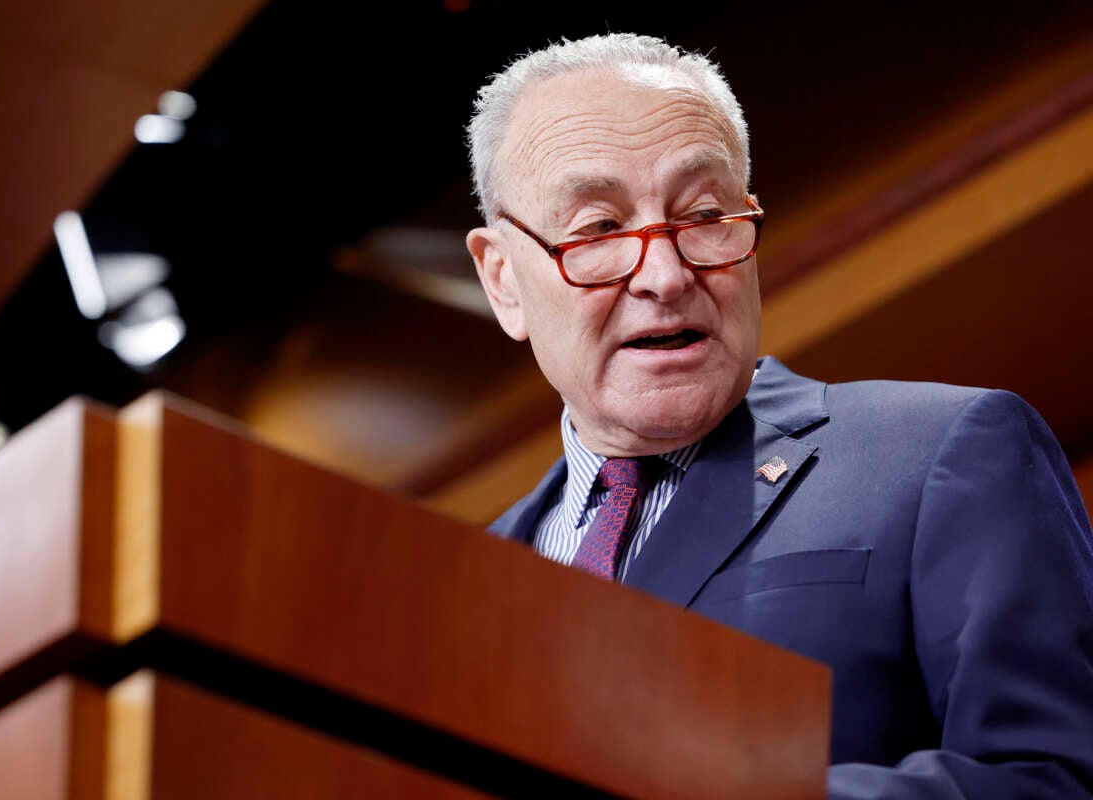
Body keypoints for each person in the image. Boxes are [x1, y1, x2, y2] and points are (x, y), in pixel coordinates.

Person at [464, 33, 1093, 798]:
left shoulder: (938, 455)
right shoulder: (463, 590)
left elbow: (1052, 777)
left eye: (702, 216)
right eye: (600, 230)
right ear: (502, 281)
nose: (664, 274)